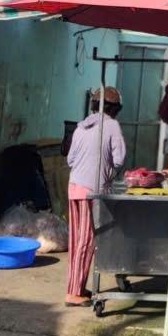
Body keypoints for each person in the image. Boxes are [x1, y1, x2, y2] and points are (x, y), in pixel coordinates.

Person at [64, 86, 125, 306]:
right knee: (87, 241)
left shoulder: (81, 126)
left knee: (76, 241)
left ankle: (76, 287)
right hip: (92, 190)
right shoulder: (112, 125)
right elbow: (119, 158)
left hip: (74, 187)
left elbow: (70, 160)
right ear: (115, 109)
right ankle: (73, 294)